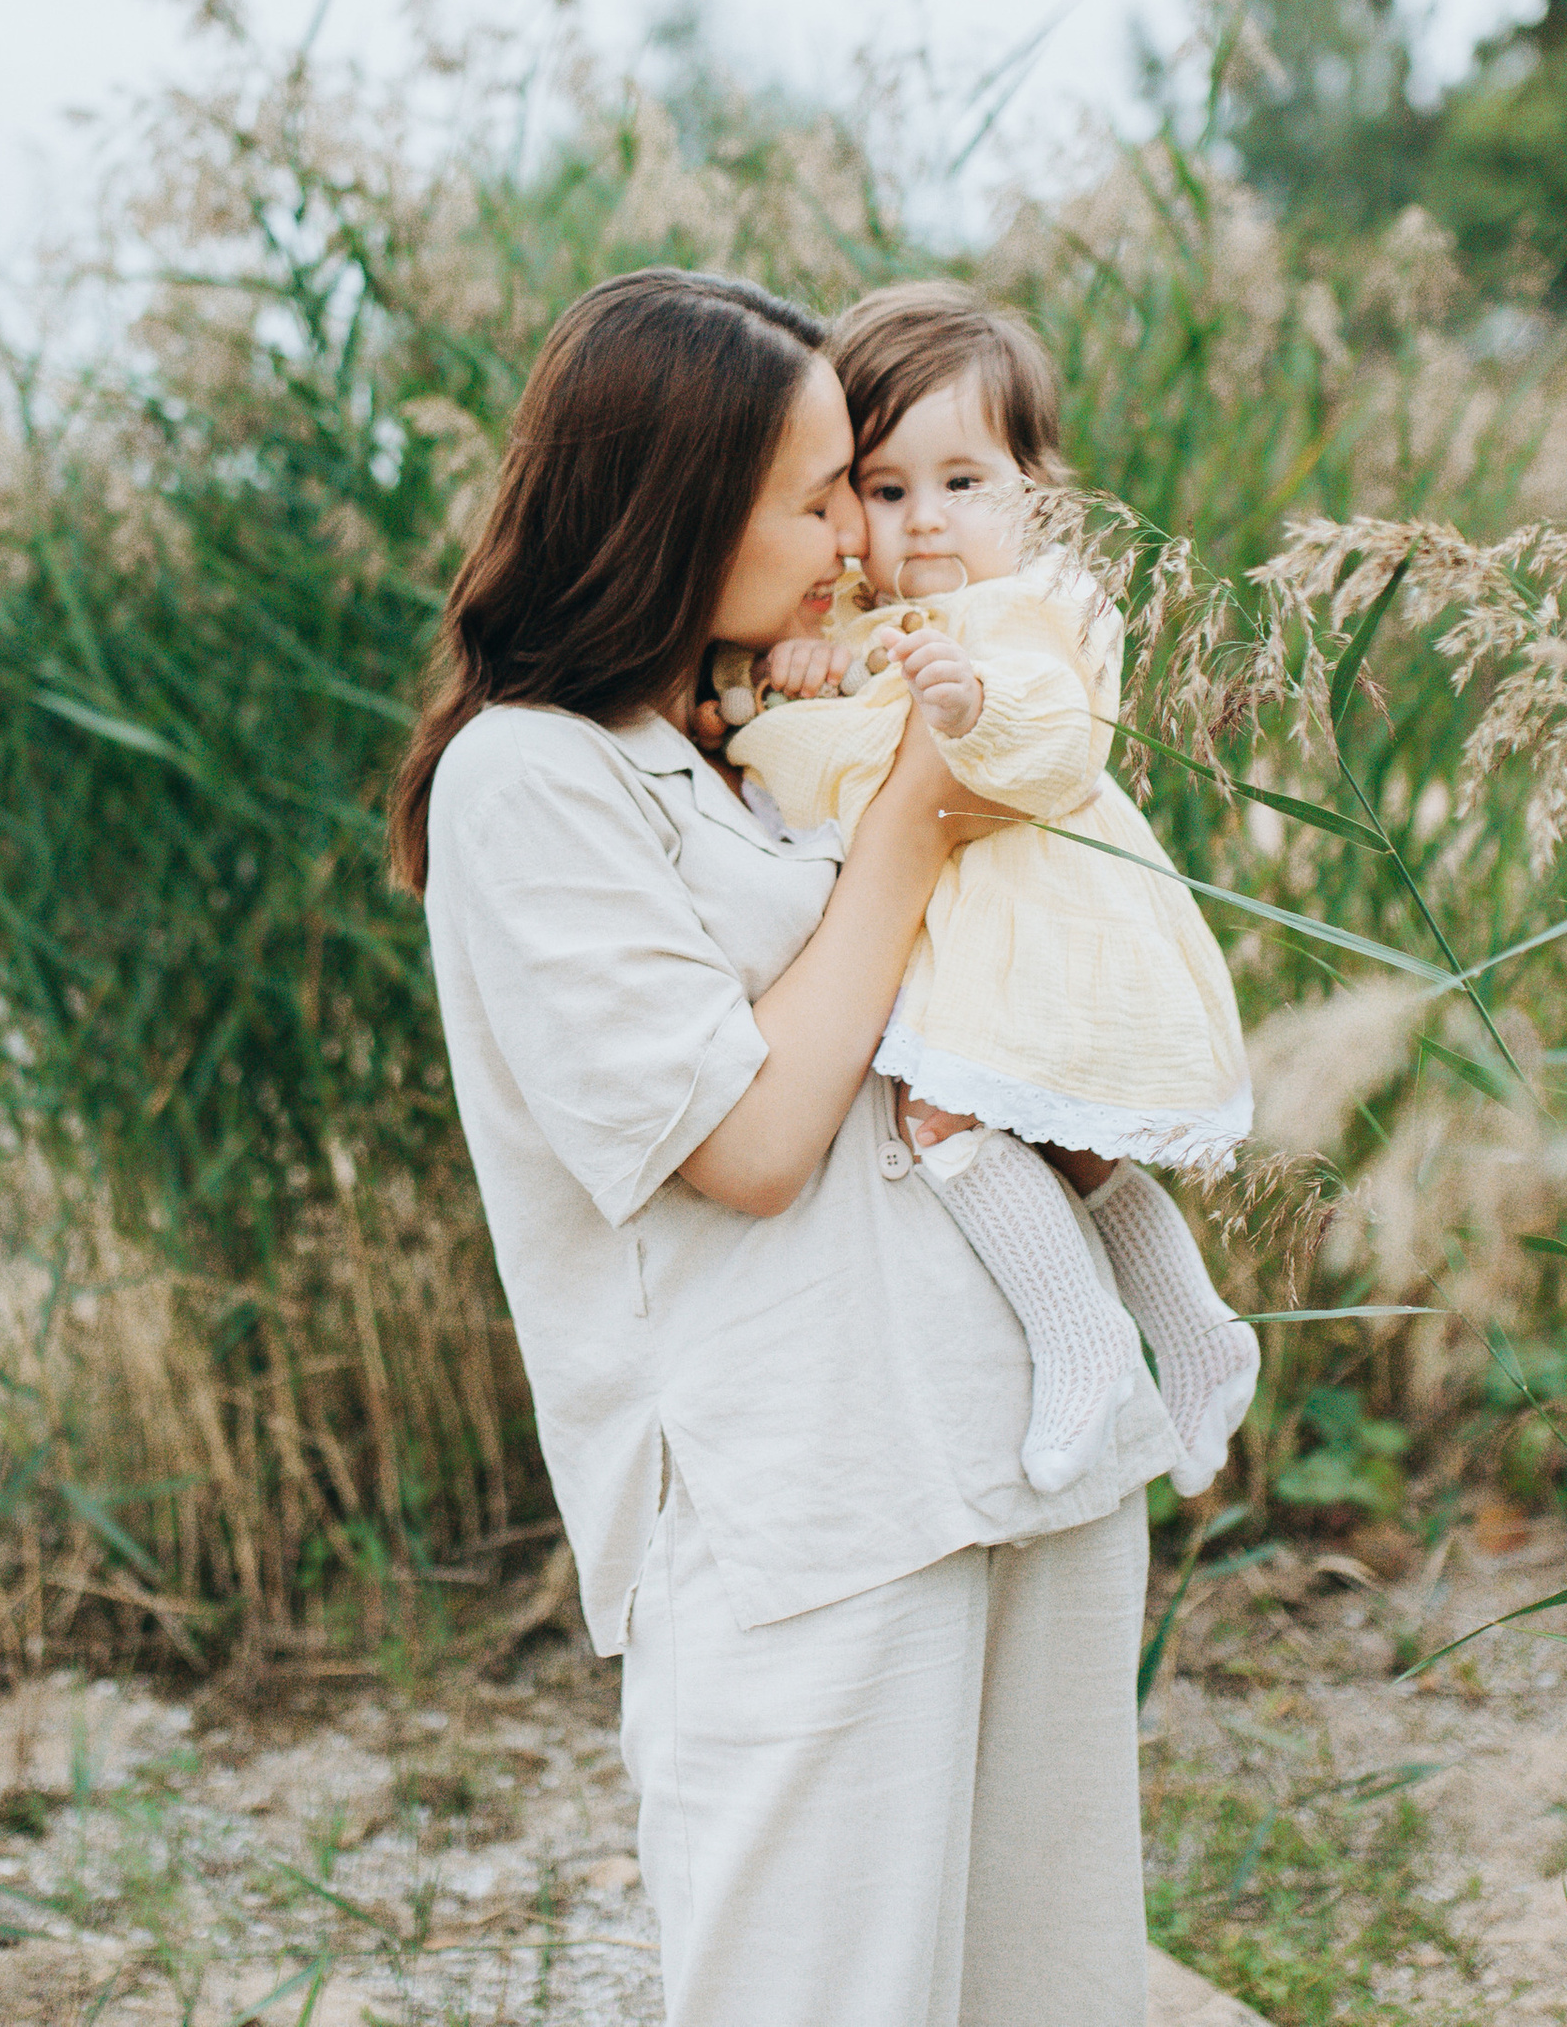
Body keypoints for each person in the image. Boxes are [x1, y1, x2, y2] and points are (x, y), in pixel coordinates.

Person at [391, 268, 1182, 2027]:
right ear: (676, 507)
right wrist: (917, 814)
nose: (859, 532)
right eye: (820, 491)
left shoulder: (776, 738)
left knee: (1050, 1990)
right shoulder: (535, 782)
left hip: (1019, 1444)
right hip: (806, 1504)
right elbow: (745, 1147)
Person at [708, 281, 1259, 1502]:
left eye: (964, 483)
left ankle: (1084, 1339)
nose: (926, 524)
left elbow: (1060, 735)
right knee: (1060, 1145)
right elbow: (826, 766)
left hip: (1041, 914)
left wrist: (970, 705)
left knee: (941, 1117)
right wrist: (770, 690)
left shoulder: (1035, 607)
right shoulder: (867, 616)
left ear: (1038, 493)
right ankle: (1201, 1329)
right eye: (886, 489)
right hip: (964, 918)